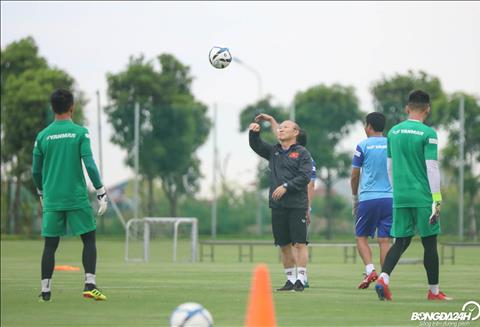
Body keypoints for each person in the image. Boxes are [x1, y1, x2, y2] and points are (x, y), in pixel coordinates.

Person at [32, 89, 108, 302]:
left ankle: (45, 291)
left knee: (50, 245)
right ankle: (89, 285)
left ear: (52, 108)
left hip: (53, 199)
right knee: (89, 239)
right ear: (72, 107)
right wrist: (100, 191)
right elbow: (90, 164)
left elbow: (35, 171)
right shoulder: (80, 132)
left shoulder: (42, 136)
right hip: (76, 198)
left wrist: (41, 192)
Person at [374, 90, 451, 301]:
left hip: (400, 196)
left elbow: (389, 167)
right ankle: (434, 292)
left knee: (400, 241)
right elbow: (432, 167)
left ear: (407, 108)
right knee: (429, 243)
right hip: (423, 196)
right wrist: (436, 197)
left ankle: (383, 278)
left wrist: (395, 191)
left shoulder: (393, 133)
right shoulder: (428, 134)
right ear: (427, 109)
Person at [249, 119, 313, 292]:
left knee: (299, 243)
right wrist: (254, 133)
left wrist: (286, 187)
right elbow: (257, 146)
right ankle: (290, 280)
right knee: (283, 244)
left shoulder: (302, 153)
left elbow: (305, 176)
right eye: (280, 127)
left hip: (297, 205)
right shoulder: (274, 151)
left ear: (295, 132)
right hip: (277, 206)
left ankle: (301, 279)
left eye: (285, 127)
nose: (281, 130)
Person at [351, 112, 392, 290]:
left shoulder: (362, 146)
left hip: (368, 198)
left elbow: (355, 175)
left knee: (360, 237)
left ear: (368, 126)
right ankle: (384, 279)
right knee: (385, 241)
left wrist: (355, 197)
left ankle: (370, 270)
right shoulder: (391, 144)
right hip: (390, 198)